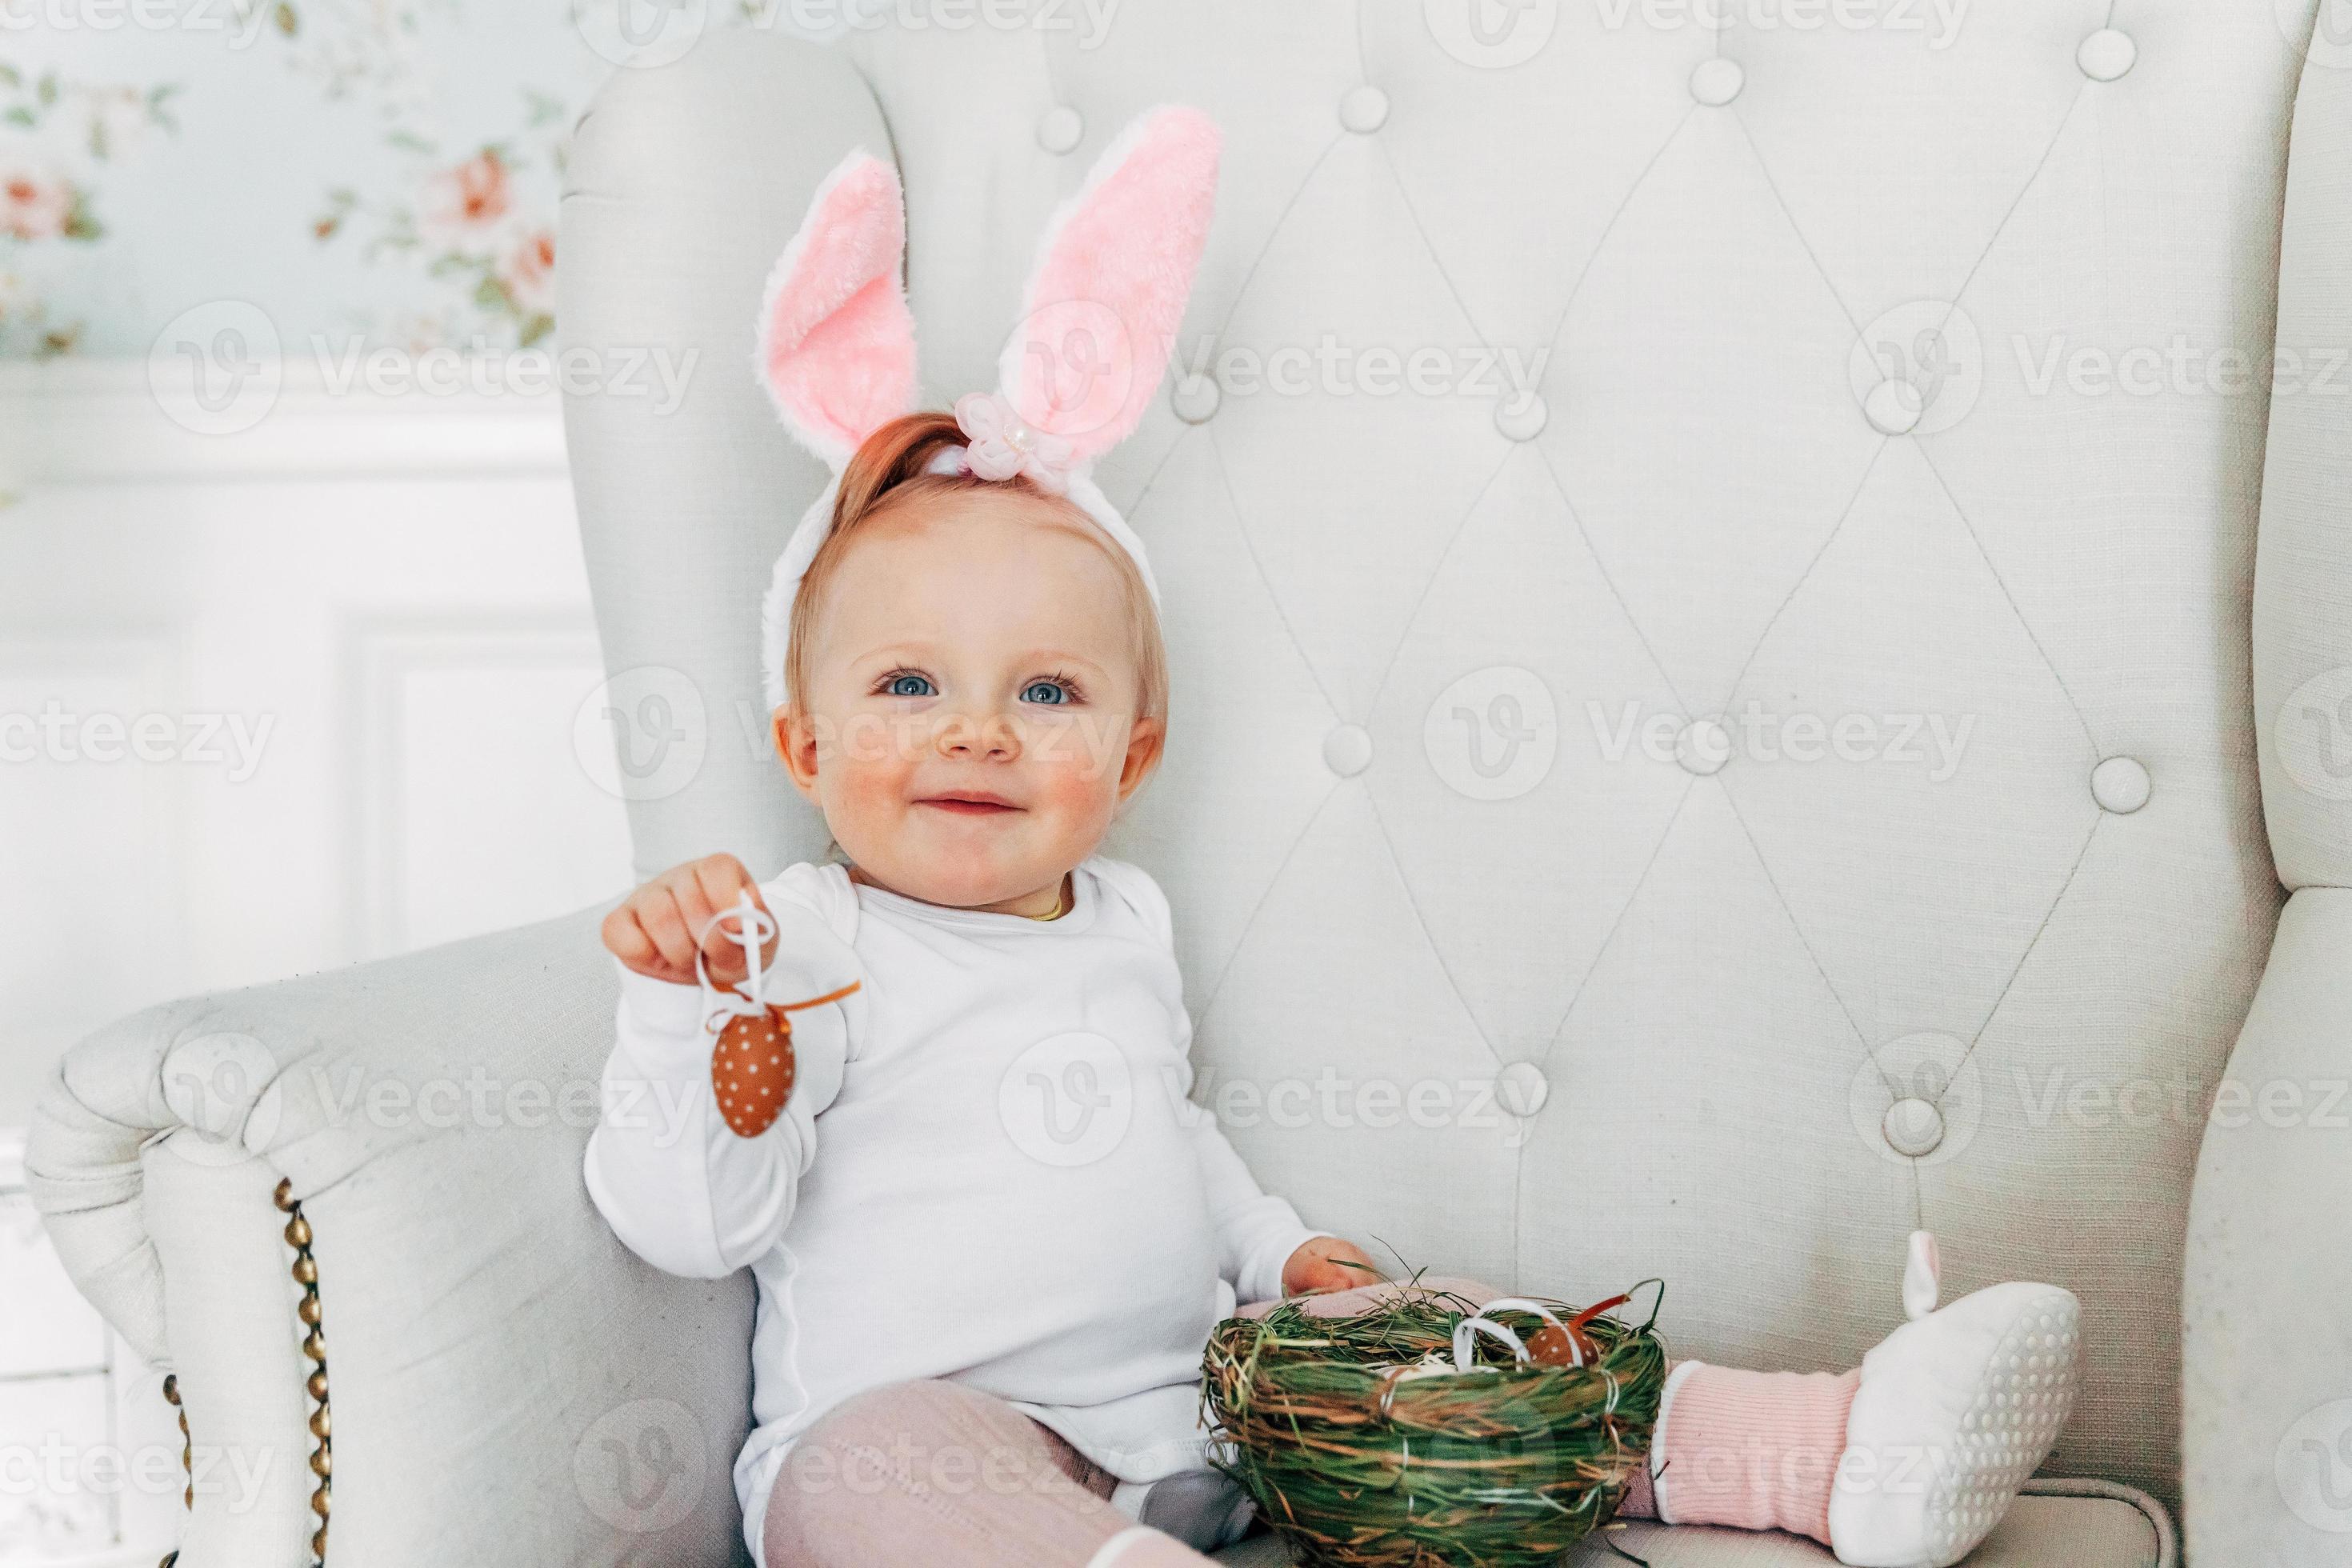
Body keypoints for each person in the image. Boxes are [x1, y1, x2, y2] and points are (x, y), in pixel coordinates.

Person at [582, 106, 2079, 1568]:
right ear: (806, 743)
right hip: (940, 1453)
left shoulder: (1121, 923)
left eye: (1046, 690)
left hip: (1215, 1426)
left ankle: (1817, 1453)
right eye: (907, 685)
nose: (976, 729)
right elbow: (695, 1228)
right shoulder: (794, 943)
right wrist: (681, 1007)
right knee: (864, 1466)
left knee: (1430, 1331)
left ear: (1131, 754)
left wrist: (1282, 1257)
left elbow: (1169, 1140)